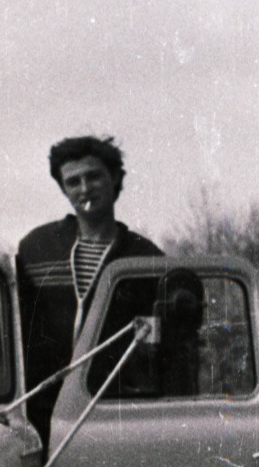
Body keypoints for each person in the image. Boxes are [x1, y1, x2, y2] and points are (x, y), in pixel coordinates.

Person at [17, 135, 162, 441]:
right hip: (40, 412)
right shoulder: (36, 249)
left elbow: (161, 344)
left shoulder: (146, 257)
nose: (84, 189)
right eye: (73, 182)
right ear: (63, 189)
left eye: (94, 176)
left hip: (112, 415)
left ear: (115, 178)